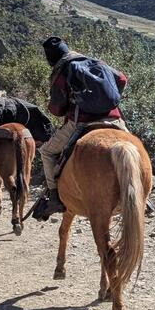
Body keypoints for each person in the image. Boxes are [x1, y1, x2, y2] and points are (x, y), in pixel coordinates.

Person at [35, 37, 128, 218]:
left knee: (46, 152)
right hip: (114, 118)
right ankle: (145, 194)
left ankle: (54, 197)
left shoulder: (62, 70)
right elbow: (122, 79)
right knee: (136, 149)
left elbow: (57, 109)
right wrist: (109, 99)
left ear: (50, 59)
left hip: (81, 121)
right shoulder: (95, 62)